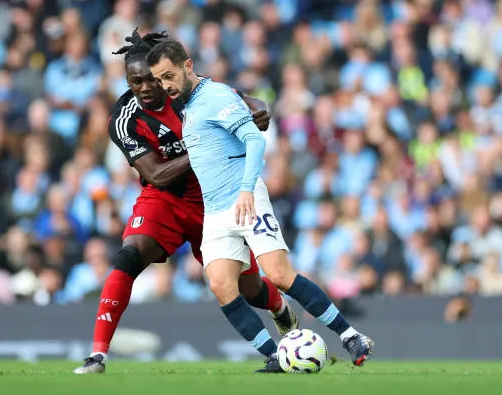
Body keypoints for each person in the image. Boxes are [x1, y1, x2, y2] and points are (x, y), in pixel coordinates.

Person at [74, 30, 298, 375]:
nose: (146, 88)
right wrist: (205, 144)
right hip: (164, 198)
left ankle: (279, 306)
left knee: (248, 287)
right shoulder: (124, 119)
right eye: (136, 82)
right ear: (128, 81)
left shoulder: (191, 91)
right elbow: (159, 175)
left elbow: (252, 102)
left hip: (213, 197)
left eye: (151, 79)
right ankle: (98, 354)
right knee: (130, 255)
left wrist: (260, 110)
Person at [146, 39, 374, 373]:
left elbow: (254, 139)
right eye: (160, 80)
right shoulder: (188, 107)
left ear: (188, 66)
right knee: (222, 286)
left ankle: (351, 335)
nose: (166, 85)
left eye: (169, 76)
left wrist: (247, 189)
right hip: (216, 212)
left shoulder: (217, 97)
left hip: (245, 200)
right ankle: (274, 355)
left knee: (280, 274)